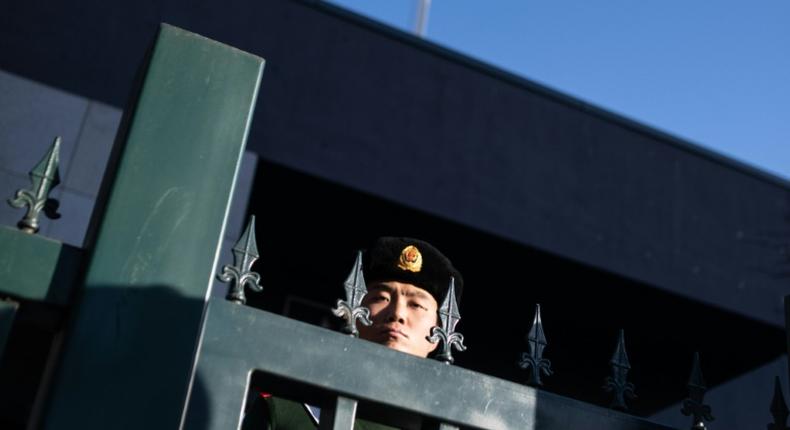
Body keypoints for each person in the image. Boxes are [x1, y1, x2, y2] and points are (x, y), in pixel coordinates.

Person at [242, 237, 463, 430]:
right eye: (381, 298)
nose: (397, 314)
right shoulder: (288, 410)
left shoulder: (443, 425)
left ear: (440, 331)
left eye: (415, 305)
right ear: (352, 311)